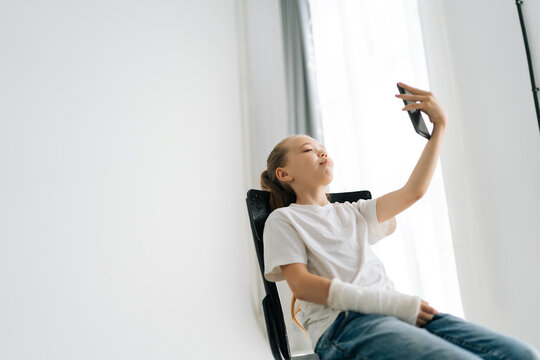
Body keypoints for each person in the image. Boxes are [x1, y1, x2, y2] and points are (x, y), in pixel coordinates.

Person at [259, 82, 539, 359]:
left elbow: (413, 192)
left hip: (395, 314)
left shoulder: (353, 212)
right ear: (284, 174)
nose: (322, 152)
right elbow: (302, 286)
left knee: (520, 354)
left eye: (324, 148)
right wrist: (391, 304)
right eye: (308, 150)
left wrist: (440, 126)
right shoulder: (283, 220)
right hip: (344, 328)